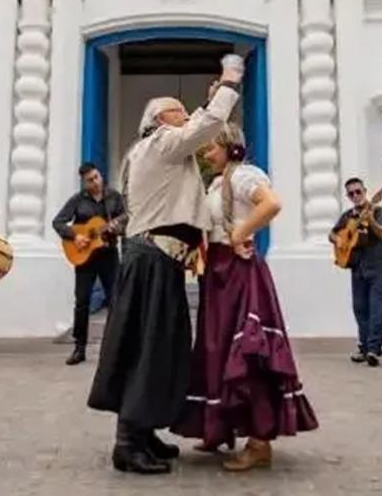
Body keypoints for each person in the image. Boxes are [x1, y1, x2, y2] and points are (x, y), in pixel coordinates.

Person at [87, 56, 244, 476]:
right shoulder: (161, 143)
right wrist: (229, 83)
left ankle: (144, 430)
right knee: (150, 348)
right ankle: (128, 442)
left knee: (159, 347)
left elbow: (198, 125)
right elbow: (205, 126)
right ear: (160, 119)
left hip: (154, 259)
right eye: (179, 110)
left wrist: (208, 103)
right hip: (153, 261)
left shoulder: (157, 152)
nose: (186, 115)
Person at [171, 124, 318, 471]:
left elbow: (271, 203)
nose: (206, 154)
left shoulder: (243, 176)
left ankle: (259, 442)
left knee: (247, 351)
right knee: (216, 348)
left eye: (212, 148)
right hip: (218, 273)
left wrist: (240, 233)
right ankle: (218, 427)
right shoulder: (219, 182)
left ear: (229, 147)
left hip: (239, 273)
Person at [51, 162, 127, 366]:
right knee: (82, 301)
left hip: (108, 255)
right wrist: (75, 236)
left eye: (96, 177)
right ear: (84, 183)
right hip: (84, 257)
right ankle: (79, 347)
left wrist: (116, 229)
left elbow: (125, 223)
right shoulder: (77, 200)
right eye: (90, 180)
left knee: (115, 300)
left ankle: (115, 348)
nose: (95, 182)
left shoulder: (114, 197)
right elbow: (58, 222)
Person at [329, 177, 382, 367]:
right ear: (348, 196)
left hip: (378, 266)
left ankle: (374, 350)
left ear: (365, 191)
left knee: (377, 308)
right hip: (357, 267)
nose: (356, 195)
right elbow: (332, 234)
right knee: (360, 308)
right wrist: (339, 240)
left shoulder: (377, 211)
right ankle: (363, 347)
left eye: (358, 191)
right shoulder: (347, 216)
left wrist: (370, 220)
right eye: (351, 193)